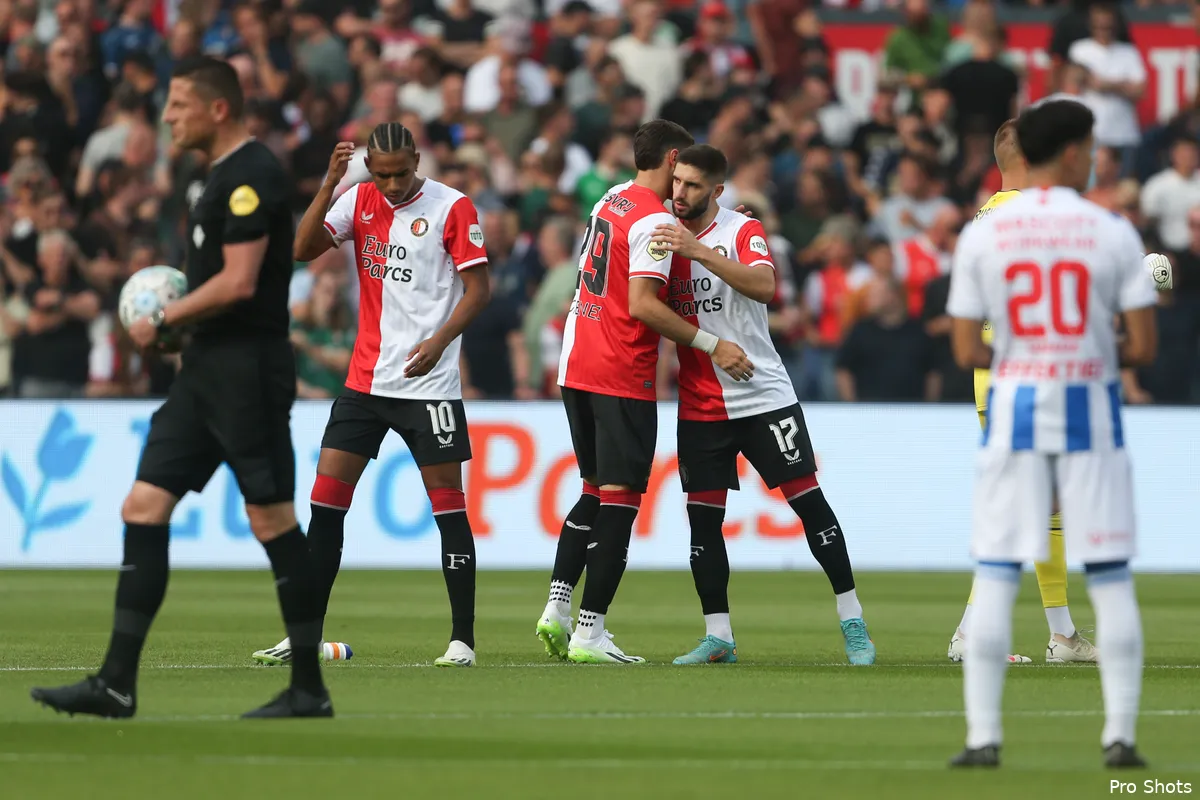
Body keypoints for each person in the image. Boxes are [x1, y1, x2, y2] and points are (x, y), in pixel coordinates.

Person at [30, 57, 331, 719]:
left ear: (217, 109)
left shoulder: (251, 176)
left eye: (178, 105)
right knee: (142, 506)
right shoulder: (213, 178)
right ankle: (115, 682)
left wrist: (163, 317)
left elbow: (241, 281)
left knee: (271, 518)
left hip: (245, 371)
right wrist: (178, 333)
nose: (167, 117)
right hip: (203, 372)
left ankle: (308, 688)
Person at [947, 99, 1156, 769]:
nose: (1094, 156)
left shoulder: (981, 232)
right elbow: (1144, 347)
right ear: (1069, 153)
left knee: (999, 560)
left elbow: (962, 348)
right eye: (1090, 146)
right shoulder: (1111, 230)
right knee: (1113, 571)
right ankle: (1119, 736)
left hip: (1014, 400)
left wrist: (1018, 356)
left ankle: (982, 739)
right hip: (1089, 405)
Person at [252, 123, 490, 669]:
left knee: (449, 512)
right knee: (325, 507)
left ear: (416, 159)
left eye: (400, 173)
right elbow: (301, 249)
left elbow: (481, 290)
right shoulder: (358, 197)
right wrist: (329, 183)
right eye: (380, 174)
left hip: (429, 387)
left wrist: (440, 341)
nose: (390, 185)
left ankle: (462, 641)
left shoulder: (453, 208)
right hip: (365, 384)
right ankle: (305, 633)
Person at [534, 119, 753, 664]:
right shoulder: (655, 221)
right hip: (619, 372)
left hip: (575, 362)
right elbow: (643, 305)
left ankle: (557, 607)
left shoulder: (611, 198)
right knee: (621, 501)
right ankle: (590, 631)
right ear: (674, 157)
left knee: (591, 490)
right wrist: (712, 344)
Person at [650, 144, 875, 666]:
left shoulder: (741, 231)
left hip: (763, 394)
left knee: (809, 504)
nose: (680, 193)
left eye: (692, 186)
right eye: (676, 182)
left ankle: (853, 621)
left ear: (717, 191)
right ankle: (718, 636)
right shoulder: (657, 232)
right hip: (701, 404)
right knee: (703, 522)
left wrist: (699, 251)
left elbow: (766, 286)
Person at [947, 119, 1096, 666]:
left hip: (994, 376)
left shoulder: (984, 216)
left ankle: (1058, 636)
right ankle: (979, 634)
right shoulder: (1034, 218)